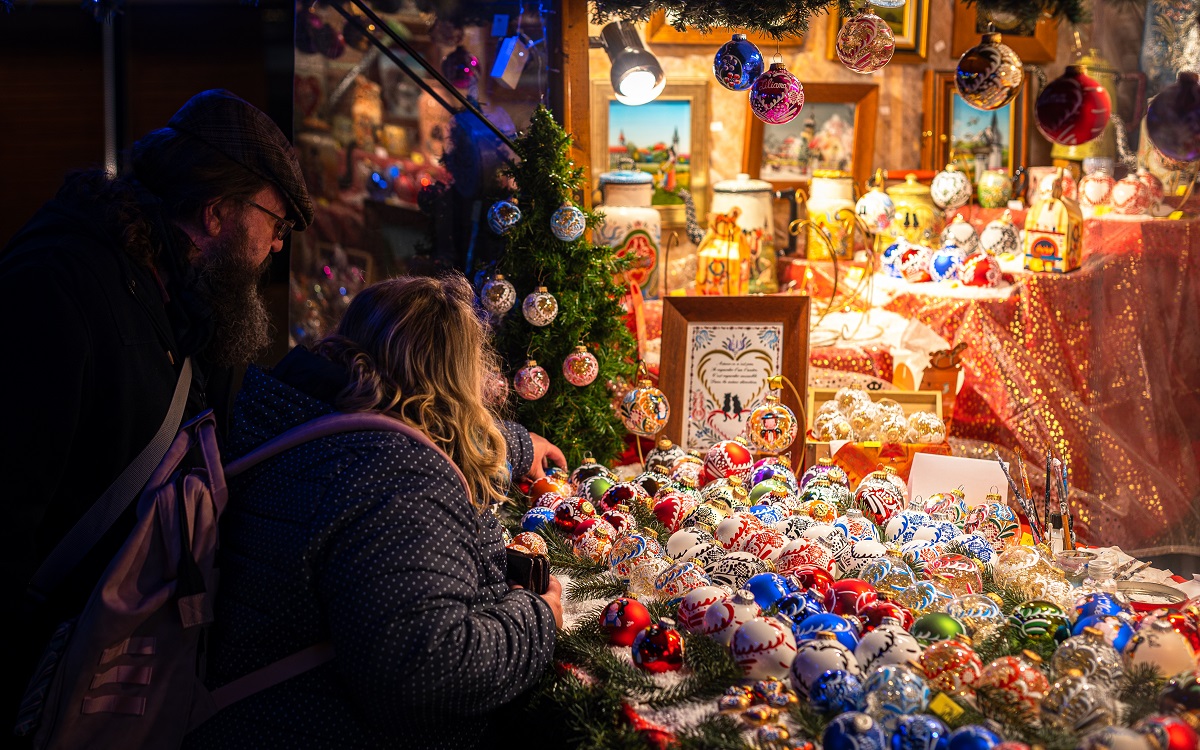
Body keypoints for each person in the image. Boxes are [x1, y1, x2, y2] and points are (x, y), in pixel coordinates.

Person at [0, 88, 316, 733]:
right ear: (216, 212)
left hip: (97, 664)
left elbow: (265, 414)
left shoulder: (191, 305)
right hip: (37, 675)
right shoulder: (58, 285)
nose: (277, 246)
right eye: (276, 223)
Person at [184, 274, 562, 749]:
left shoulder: (303, 416)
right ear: (457, 378)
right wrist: (537, 620)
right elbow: (428, 669)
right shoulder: (396, 476)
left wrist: (519, 446)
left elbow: (429, 428)